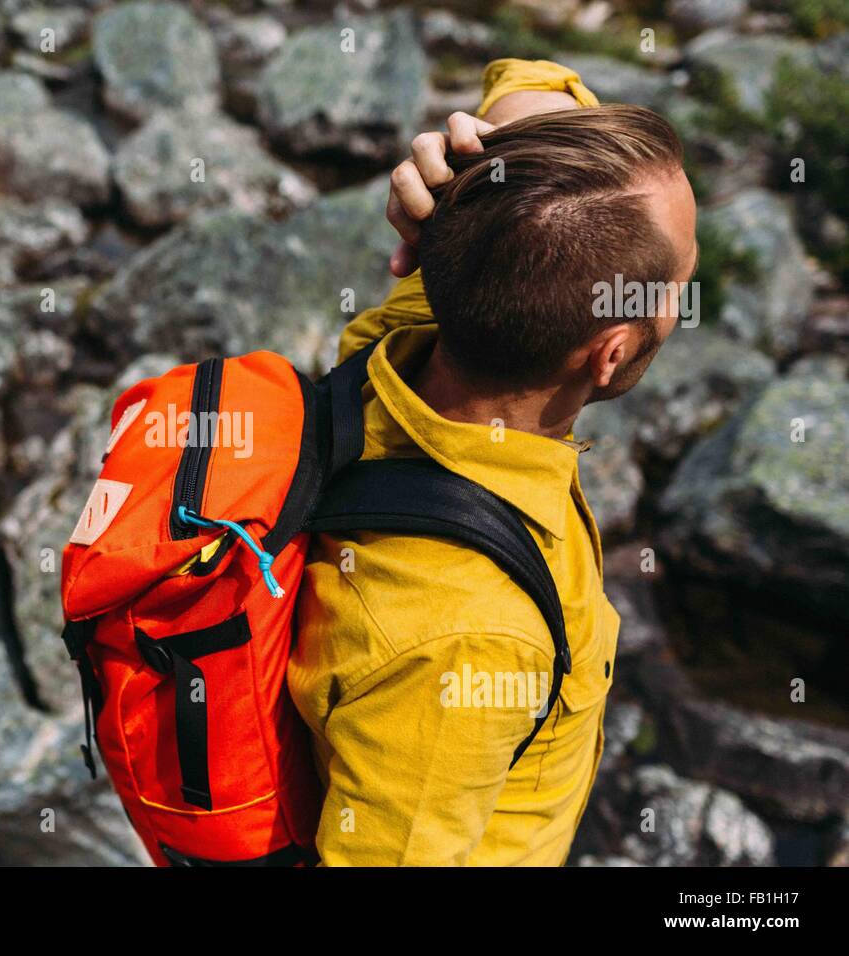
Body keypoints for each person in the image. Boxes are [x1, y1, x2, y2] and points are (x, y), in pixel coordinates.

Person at [288, 58, 699, 865]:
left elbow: (525, 76)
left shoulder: (406, 333)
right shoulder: (466, 644)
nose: (686, 297)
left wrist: (464, 157)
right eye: (680, 284)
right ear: (609, 354)